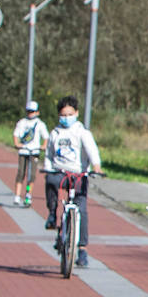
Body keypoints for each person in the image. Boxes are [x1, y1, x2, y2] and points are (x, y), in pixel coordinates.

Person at [42, 95, 104, 268]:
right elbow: (49, 155)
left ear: (76, 113)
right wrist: (48, 168)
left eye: (70, 114)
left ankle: (82, 250)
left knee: (82, 210)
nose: (66, 117)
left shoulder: (82, 132)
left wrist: (96, 167)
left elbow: (92, 150)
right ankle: (52, 214)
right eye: (63, 114)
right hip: (59, 171)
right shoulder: (55, 133)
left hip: (78, 174)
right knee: (51, 182)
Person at [12, 100, 48, 207]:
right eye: (29, 111)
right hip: (24, 151)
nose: (30, 113)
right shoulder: (22, 122)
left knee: (31, 176)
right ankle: (17, 195)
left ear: (37, 112)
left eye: (32, 111)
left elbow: (46, 136)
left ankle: (28, 194)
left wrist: (43, 146)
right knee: (20, 173)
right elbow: (16, 134)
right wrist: (17, 143)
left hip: (34, 152)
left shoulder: (40, 124)